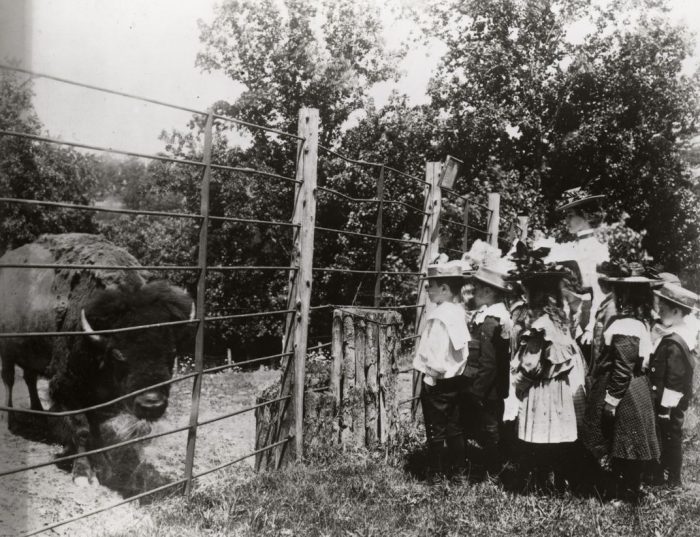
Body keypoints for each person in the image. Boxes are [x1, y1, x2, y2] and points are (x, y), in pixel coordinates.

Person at [581, 235, 661, 501]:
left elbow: (623, 366)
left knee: (620, 442)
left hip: (623, 392)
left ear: (625, 293)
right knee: (624, 443)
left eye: (616, 289)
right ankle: (626, 490)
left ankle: (622, 492)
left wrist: (611, 400)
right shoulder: (638, 322)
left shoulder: (627, 325)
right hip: (633, 389)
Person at [508, 243, 587, 490]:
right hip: (559, 391)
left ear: (534, 295)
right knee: (557, 437)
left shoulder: (540, 327)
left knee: (540, 438)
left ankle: (539, 483)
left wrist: (516, 384)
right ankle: (559, 482)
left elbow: (531, 364)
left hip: (541, 390)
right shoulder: (560, 322)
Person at [413, 259, 471, 479]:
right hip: (455, 379)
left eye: (431, 286)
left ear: (445, 289)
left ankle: (436, 473)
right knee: (454, 426)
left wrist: (430, 378)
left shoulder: (438, 318)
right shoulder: (457, 312)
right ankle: (459, 471)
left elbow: (436, 353)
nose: (427, 290)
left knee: (435, 429)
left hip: (437, 381)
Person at [462, 263, 513, 474]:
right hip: (493, 387)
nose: (473, 292)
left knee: (490, 427)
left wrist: (477, 390)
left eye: (477, 288)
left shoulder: (492, 322)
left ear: (489, 292)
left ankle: (494, 467)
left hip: (487, 387)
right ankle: (494, 462)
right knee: (491, 424)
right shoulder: (495, 316)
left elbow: (489, 362)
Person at [549, 187, 609, 363]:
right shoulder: (571, 246)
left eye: (571, 215)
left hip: (588, 316)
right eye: (565, 216)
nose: (566, 221)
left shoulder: (597, 248)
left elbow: (600, 291)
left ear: (586, 216)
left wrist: (591, 327)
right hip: (568, 314)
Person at [649, 281, 698, 487]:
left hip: (669, 401)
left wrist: (666, 407)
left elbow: (675, 378)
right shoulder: (671, 334)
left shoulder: (677, 341)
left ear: (677, 311)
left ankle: (674, 479)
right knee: (664, 435)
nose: (658, 310)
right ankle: (660, 474)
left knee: (671, 436)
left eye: (663, 307)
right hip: (663, 399)